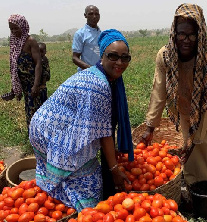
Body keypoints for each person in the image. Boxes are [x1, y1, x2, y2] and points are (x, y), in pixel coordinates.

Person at [140, 3, 207, 209]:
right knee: (193, 155)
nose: (186, 40)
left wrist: (196, 139)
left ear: (200, 32)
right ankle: (195, 187)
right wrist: (150, 127)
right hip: (186, 106)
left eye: (191, 35)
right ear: (174, 32)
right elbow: (158, 92)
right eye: (181, 34)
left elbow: (206, 107)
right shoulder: (165, 55)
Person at [29, 29, 134, 212]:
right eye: (113, 56)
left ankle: (65, 207)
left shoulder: (101, 76)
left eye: (125, 58)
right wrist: (114, 169)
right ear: (102, 56)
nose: (119, 62)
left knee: (81, 173)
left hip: (55, 126)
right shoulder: (99, 85)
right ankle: (85, 213)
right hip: (50, 131)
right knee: (88, 182)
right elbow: (104, 133)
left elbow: (99, 127)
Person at [1, 14, 42, 132]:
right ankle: (33, 138)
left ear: (23, 26)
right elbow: (14, 67)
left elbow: (38, 64)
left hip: (33, 84)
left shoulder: (31, 41)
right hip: (23, 85)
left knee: (35, 111)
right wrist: (14, 89)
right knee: (29, 110)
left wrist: (35, 85)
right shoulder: (15, 42)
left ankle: (38, 139)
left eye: (16, 28)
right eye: (11, 28)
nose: (13, 31)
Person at [72, 5, 101, 71]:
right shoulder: (80, 34)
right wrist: (91, 69)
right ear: (85, 15)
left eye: (96, 14)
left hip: (100, 73)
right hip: (86, 73)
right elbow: (75, 58)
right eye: (91, 14)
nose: (94, 16)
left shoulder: (101, 34)